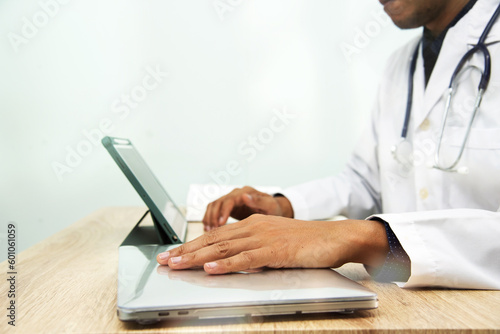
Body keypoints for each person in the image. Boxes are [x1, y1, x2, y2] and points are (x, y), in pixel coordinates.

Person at [157, 0, 500, 289]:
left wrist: (358, 238)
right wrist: (282, 207)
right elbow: (365, 182)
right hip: (408, 298)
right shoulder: (403, 63)